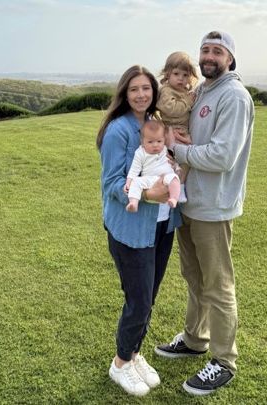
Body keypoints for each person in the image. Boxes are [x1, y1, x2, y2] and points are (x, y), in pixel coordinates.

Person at [154, 31, 255, 396]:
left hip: (213, 206)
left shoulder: (234, 96)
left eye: (217, 51)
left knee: (218, 283)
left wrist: (177, 151)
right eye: (205, 50)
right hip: (189, 202)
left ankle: (224, 361)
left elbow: (222, 156)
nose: (209, 56)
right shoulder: (202, 92)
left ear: (230, 58)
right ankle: (196, 339)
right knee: (194, 276)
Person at [97, 65, 181, 396]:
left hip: (162, 226)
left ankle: (133, 354)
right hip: (132, 230)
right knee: (139, 300)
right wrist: (146, 195)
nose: (141, 94)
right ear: (125, 93)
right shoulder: (118, 131)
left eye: (146, 88)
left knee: (150, 296)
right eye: (134, 89)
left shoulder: (155, 123)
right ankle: (120, 364)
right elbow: (111, 184)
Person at [156, 51, 199, 203]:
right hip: (173, 131)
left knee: (183, 163)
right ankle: (175, 191)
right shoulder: (166, 90)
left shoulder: (184, 91)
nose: (181, 78)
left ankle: (178, 188)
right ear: (167, 74)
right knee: (175, 163)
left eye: (185, 75)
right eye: (176, 74)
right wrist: (188, 102)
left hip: (182, 132)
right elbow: (171, 109)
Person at [125, 120, 180, 212]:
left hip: (166, 178)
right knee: (135, 182)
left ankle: (174, 199)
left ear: (164, 140)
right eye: (150, 142)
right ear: (142, 142)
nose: (155, 145)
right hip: (149, 180)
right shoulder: (140, 152)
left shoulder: (166, 150)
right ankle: (133, 203)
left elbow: (175, 162)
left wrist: (177, 168)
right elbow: (134, 169)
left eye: (159, 141)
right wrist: (128, 181)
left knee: (174, 178)